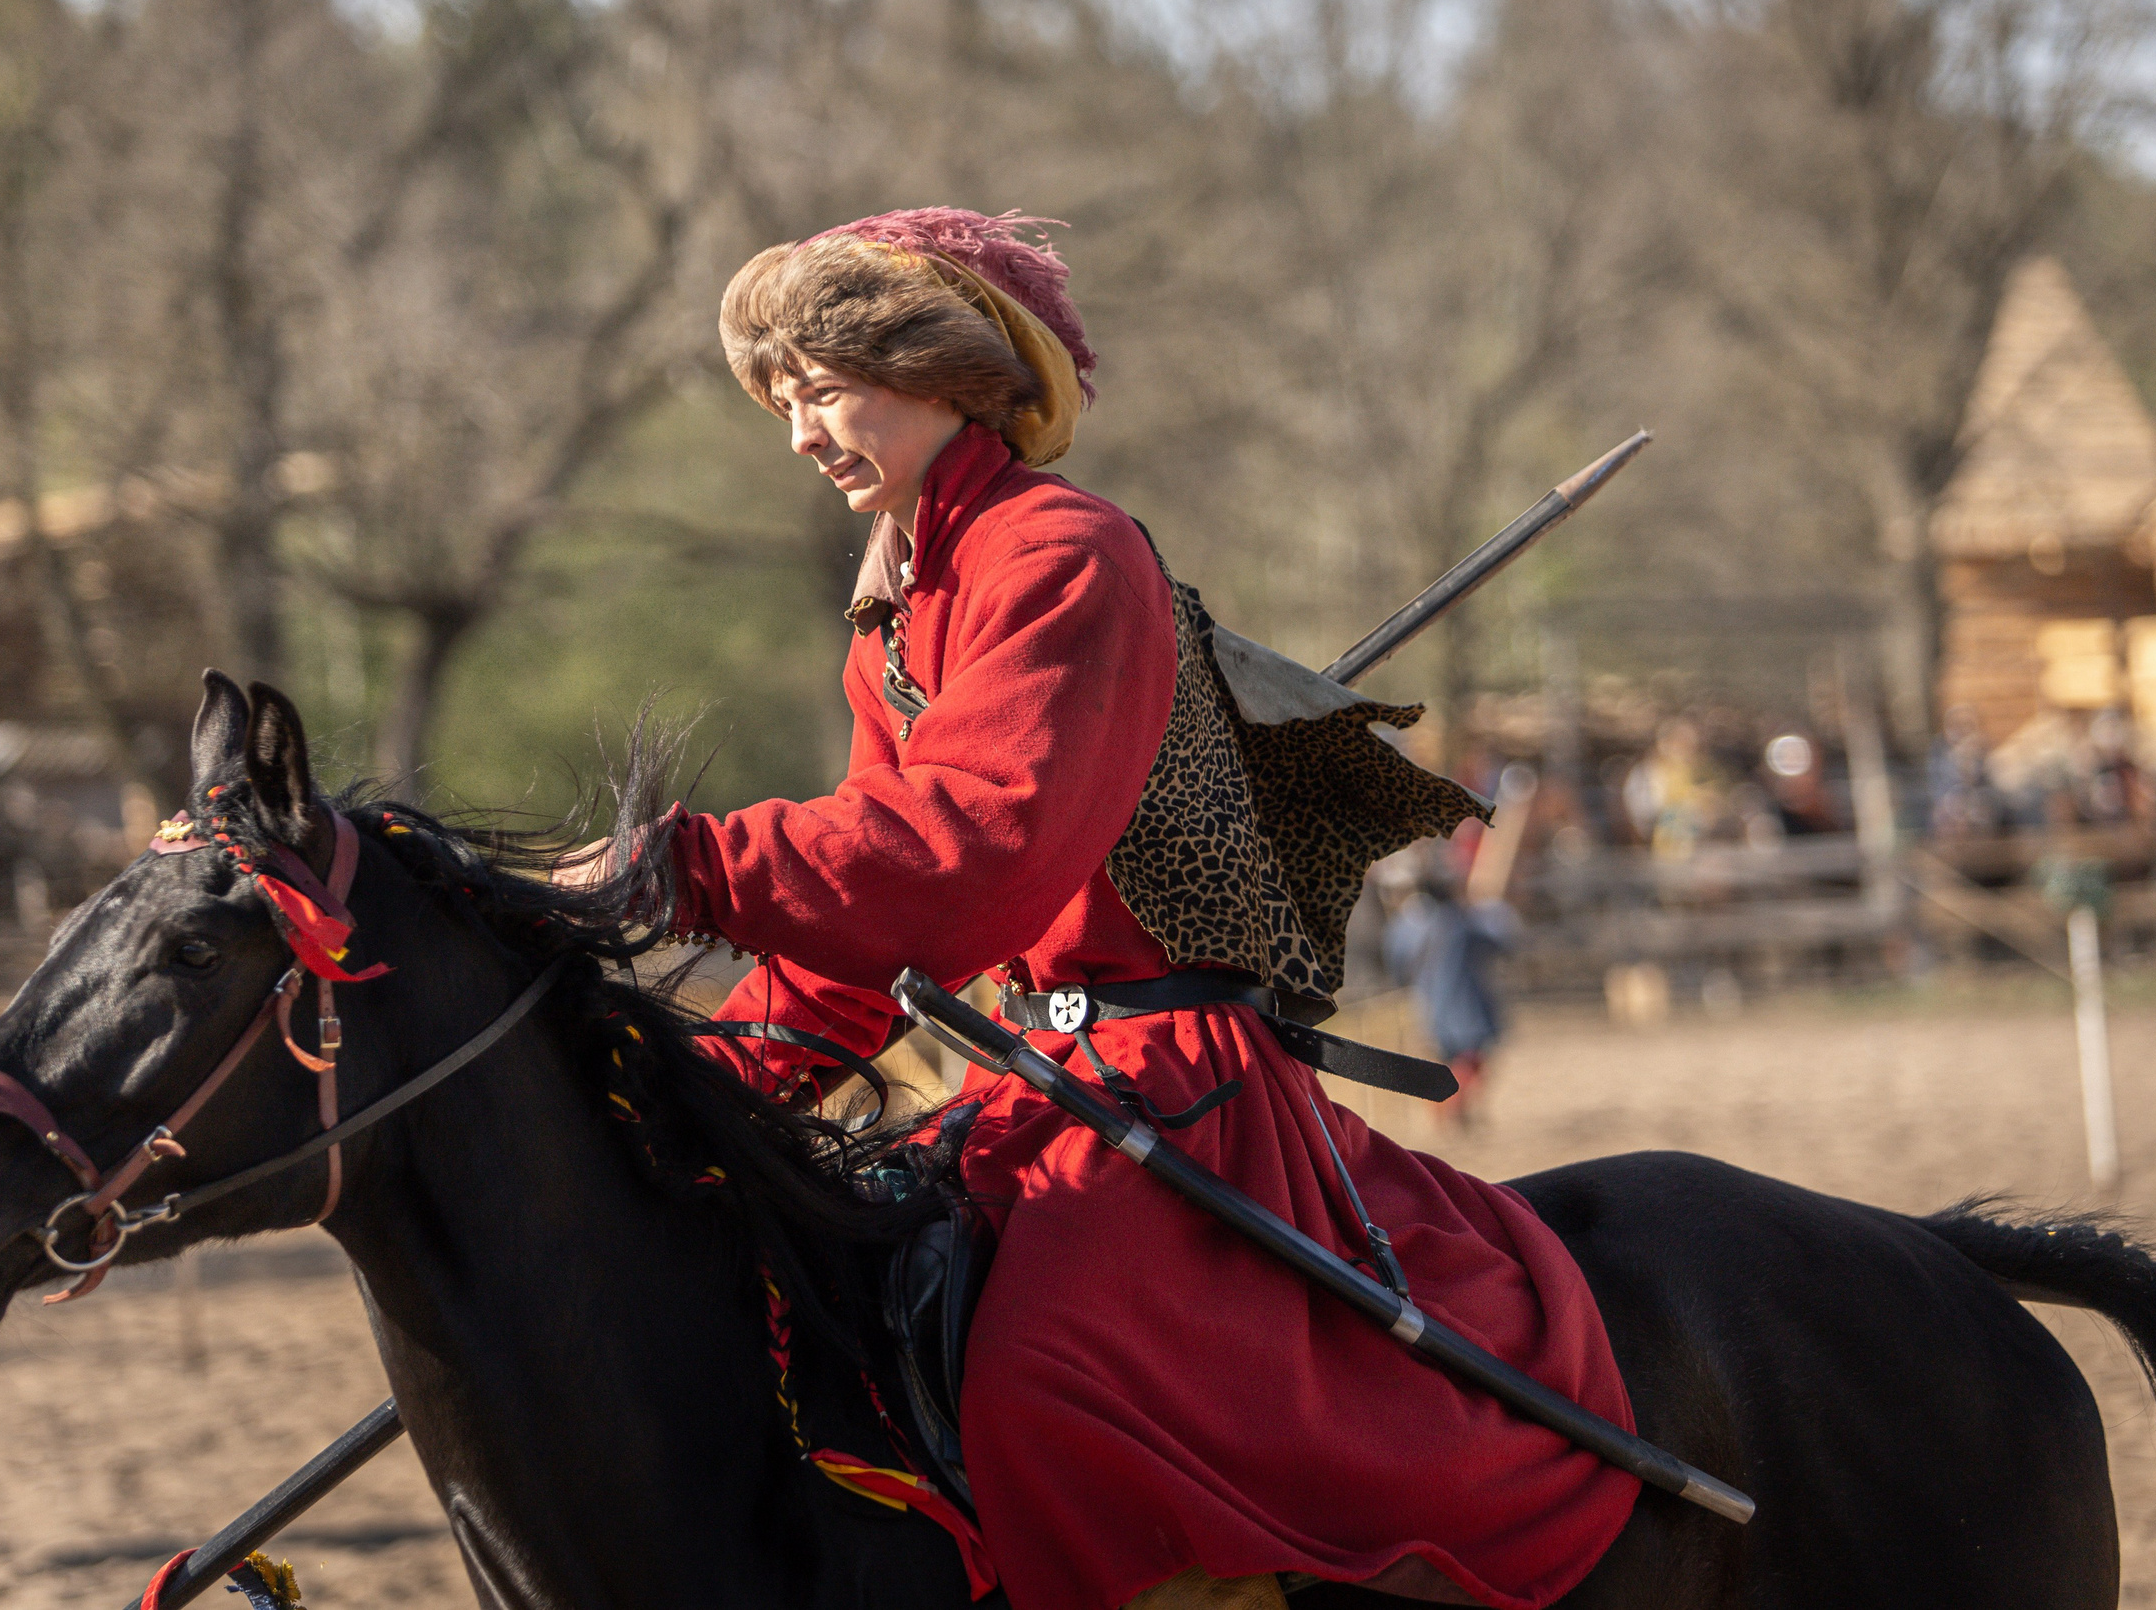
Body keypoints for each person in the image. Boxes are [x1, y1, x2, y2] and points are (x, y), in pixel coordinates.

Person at [603, 209, 1637, 1610]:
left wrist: (696, 864)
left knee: (1041, 1391)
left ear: (940, 367)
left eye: (821, 386)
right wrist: (690, 1092)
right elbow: (872, 940)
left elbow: (973, 843)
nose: (798, 432)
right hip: (1036, 1077)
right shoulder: (897, 613)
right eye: (781, 400)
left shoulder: (1063, 552)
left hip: (1176, 1079)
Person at [1382, 862, 1517, 1127]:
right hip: (1463, 1006)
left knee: (1450, 1060)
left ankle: (1450, 1111)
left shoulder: (1408, 925)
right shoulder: (1460, 923)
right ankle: (1449, 1109)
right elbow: (1499, 945)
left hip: (1430, 1004)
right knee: (1469, 1061)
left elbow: (1397, 963)